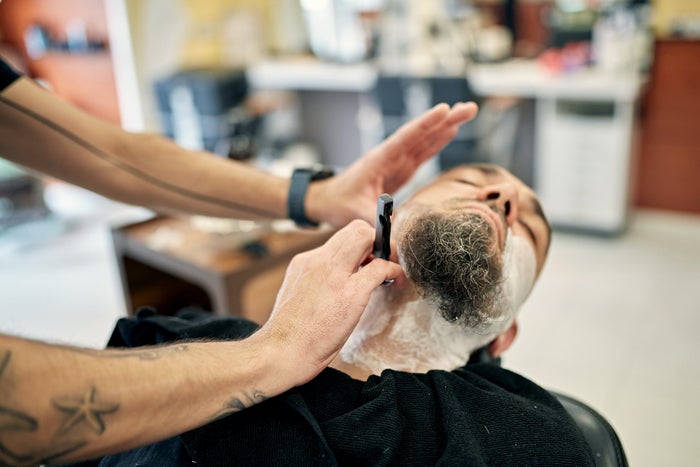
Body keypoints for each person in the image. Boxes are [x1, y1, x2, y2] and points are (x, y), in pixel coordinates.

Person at [0, 54, 479, 465]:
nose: (495, 197)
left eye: (522, 219)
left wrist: (318, 196)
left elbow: (112, 152)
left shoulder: (519, 422)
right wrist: (267, 354)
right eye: (464, 189)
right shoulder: (164, 333)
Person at [88, 164, 595, 466]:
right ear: (379, 225)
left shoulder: (530, 439)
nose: (504, 196)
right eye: (466, 179)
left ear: (504, 336)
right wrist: (271, 349)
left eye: (528, 227)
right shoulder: (174, 343)